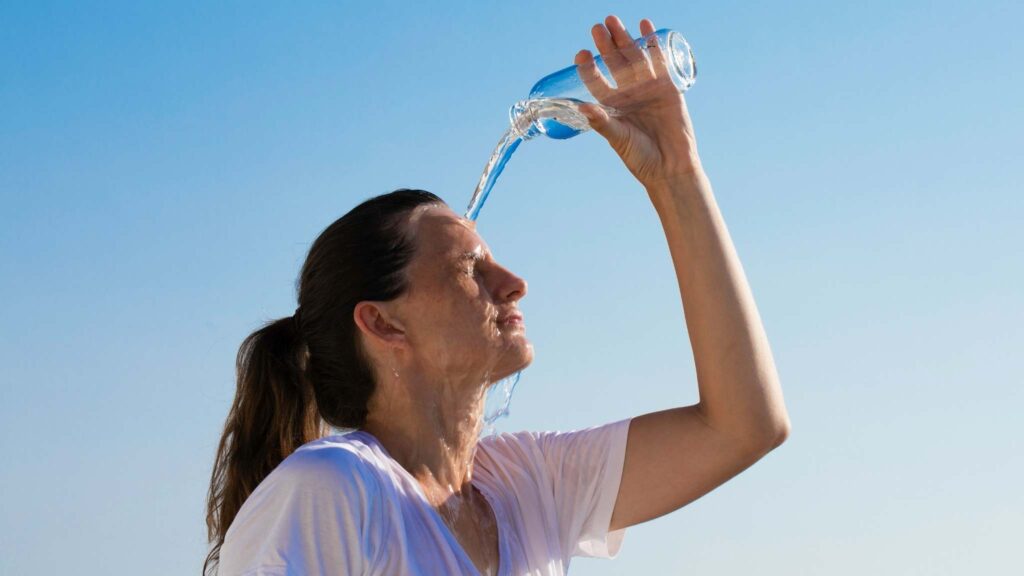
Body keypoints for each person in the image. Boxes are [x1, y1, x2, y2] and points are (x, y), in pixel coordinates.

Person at [204, 15, 790, 576]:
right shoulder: (336, 488)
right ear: (384, 324)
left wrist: (677, 175)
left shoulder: (527, 485)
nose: (514, 283)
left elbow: (745, 425)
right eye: (469, 268)